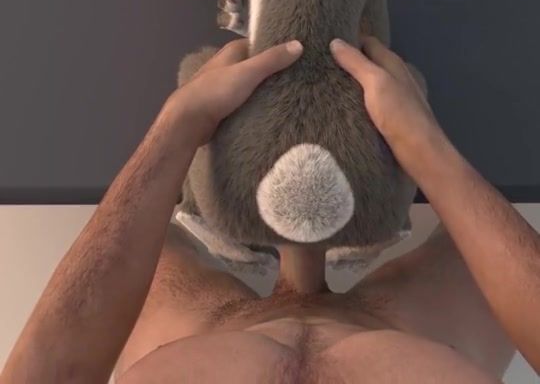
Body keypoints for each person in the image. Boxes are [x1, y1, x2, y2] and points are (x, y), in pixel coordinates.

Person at [2, 37, 539, 384]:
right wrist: (423, 146)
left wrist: (180, 125)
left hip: (196, 334)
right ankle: (320, 235)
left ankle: (282, 238)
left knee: (158, 242)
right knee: (475, 237)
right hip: (418, 333)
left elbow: (46, 376)